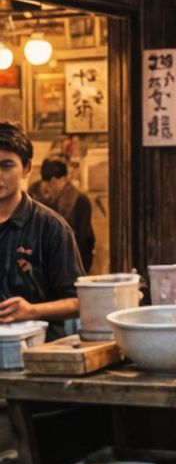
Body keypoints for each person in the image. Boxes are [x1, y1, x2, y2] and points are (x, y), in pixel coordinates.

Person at [0, 123, 81, 333]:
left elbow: (79, 301)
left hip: (39, 352)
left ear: (26, 168)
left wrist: (32, 310)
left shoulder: (51, 227)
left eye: (6, 165)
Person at [31, 158, 94, 268]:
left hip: (75, 260)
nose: (50, 187)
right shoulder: (52, 201)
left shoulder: (80, 201)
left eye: (52, 182)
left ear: (63, 179)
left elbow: (82, 237)